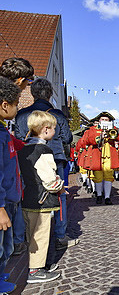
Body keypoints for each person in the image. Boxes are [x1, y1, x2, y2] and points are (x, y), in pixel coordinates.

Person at [14, 78, 76, 251]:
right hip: (54, 157)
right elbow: (67, 138)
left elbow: (19, 138)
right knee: (60, 194)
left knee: (25, 194)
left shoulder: (21, 114)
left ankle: (20, 239)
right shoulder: (56, 114)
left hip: (28, 159)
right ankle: (60, 236)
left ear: (33, 93)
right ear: (49, 94)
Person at [17, 111, 62, 283]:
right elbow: (50, 180)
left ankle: (41, 264)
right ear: (45, 130)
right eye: (54, 128)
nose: (55, 132)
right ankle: (35, 270)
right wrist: (59, 186)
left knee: (32, 234)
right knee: (41, 235)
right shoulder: (43, 150)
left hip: (28, 196)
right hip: (42, 199)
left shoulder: (24, 149)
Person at [0, 77, 23, 293]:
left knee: (6, 246)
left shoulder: (2, 130)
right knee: (0, 247)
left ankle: (0, 273)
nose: (18, 108)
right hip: (2, 202)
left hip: (9, 198)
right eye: (16, 103)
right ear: (5, 105)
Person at [84, 112, 119, 205]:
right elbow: (88, 140)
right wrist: (100, 136)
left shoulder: (114, 129)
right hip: (97, 155)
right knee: (98, 176)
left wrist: (111, 131)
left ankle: (107, 197)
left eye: (106, 120)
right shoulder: (93, 129)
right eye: (103, 119)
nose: (104, 121)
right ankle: (99, 195)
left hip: (109, 156)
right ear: (99, 120)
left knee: (108, 176)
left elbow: (118, 138)